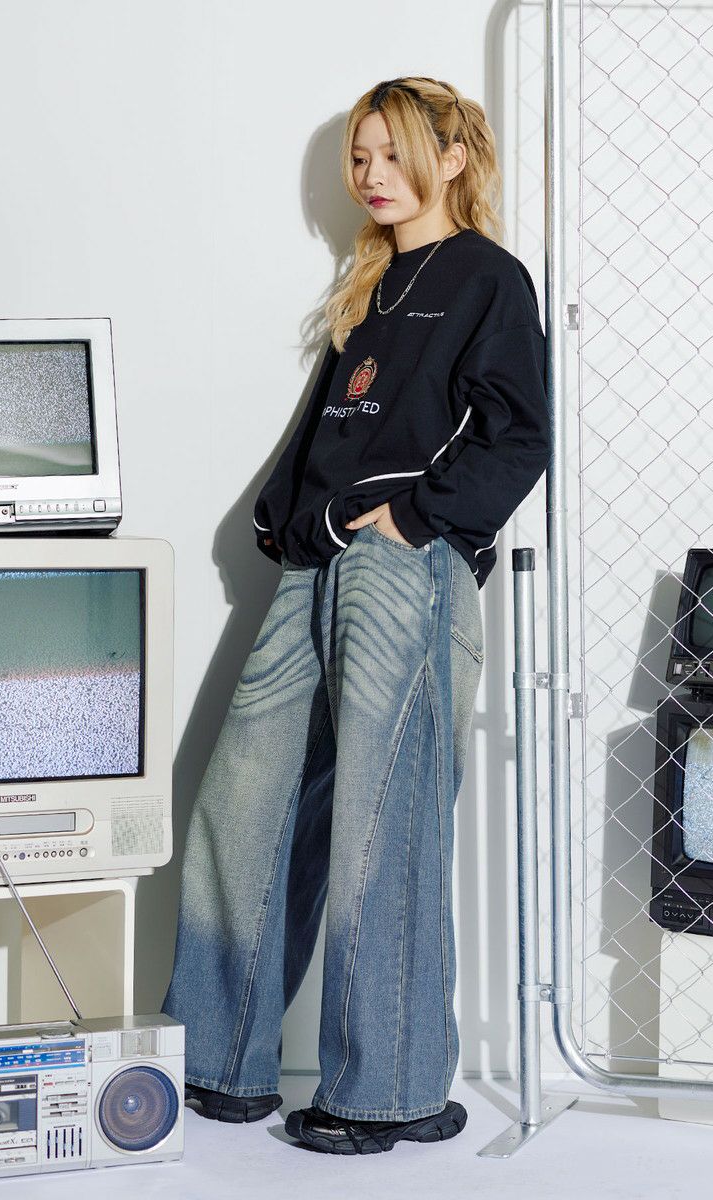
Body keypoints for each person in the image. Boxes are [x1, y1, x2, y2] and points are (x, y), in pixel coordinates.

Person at [161, 75, 551, 1156]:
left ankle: (389, 1091)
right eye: (361, 158)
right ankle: (217, 1060)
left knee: (386, 820)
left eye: (392, 154)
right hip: (316, 561)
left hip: (402, 567)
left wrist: (416, 519)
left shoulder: (488, 277)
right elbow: (331, 424)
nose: (372, 176)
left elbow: (519, 432)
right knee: (244, 803)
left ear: (452, 157)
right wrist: (282, 519)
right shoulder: (371, 286)